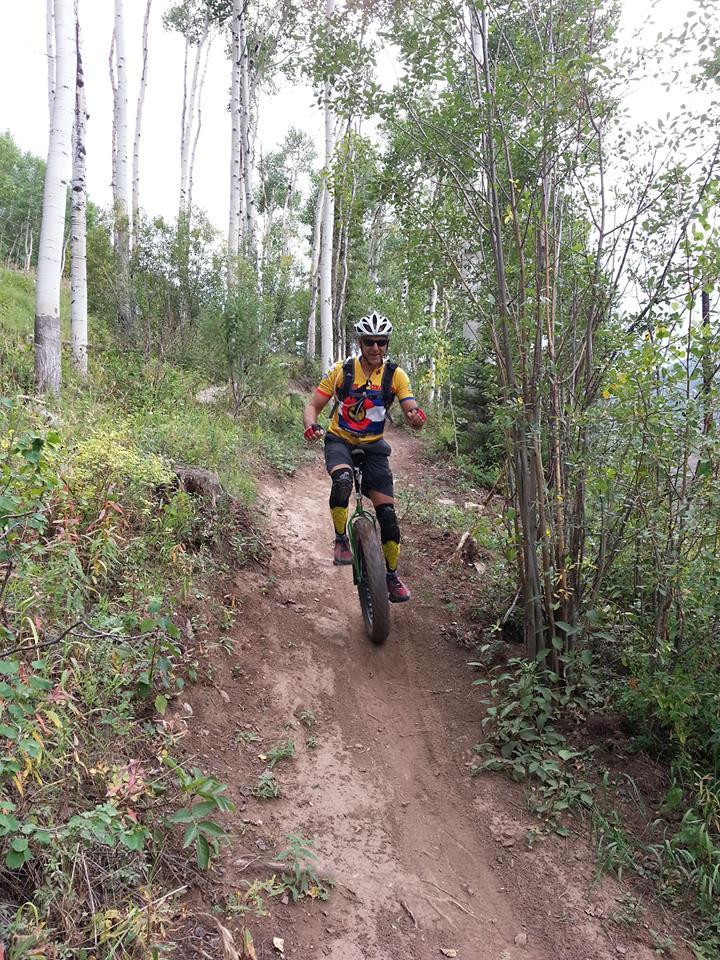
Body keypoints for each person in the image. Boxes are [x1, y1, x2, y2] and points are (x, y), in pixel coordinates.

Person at [302, 311, 426, 603]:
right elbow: (313, 406)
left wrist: (415, 417)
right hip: (340, 440)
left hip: (374, 446)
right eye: (369, 342)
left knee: (388, 516)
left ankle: (392, 576)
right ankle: (341, 539)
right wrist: (310, 425)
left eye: (381, 342)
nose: (375, 348)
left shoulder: (395, 374)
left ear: (386, 344)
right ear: (360, 342)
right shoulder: (341, 370)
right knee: (343, 481)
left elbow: (410, 406)